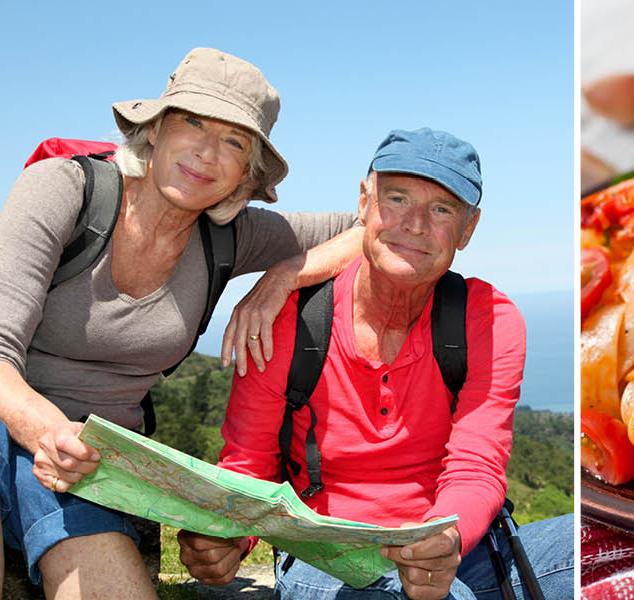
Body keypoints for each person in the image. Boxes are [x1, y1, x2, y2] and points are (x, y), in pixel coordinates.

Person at [0, 47, 365, 599]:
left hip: (91, 461)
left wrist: (281, 279)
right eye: (193, 122)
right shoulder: (65, 188)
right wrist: (47, 430)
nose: (207, 152)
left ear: (245, 174)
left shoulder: (230, 236)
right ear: (154, 130)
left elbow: (369, 224)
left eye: (234, 142)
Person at [177, 128, 574, 599]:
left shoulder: (487, 317)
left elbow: (477, 464)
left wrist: (445, 540)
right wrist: (226, 538)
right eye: (398, 199)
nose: (416, 224)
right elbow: (249, 462)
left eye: (442, 209)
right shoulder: (289, 318)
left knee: (608, 541)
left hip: (456, 544)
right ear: (364, 203)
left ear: (468, 229)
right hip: (330, 552)